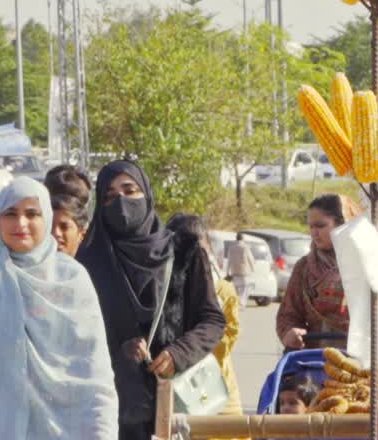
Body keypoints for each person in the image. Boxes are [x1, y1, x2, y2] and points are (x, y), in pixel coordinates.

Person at [0, 178, 117, 439]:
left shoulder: (71, 280)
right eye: (10, 214)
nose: (21, 224)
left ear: (47, 219)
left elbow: (94, 374)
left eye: (32, 214)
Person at [75, 161, 225, 440]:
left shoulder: (184, 252)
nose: (120, 201)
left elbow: (213, 319)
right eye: (108, 196)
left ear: (146, 193)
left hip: (174, 407)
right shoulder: (89, 262)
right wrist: (118, 351)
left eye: (129, 190)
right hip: (110, 409)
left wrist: (178, 353)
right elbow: (75, 334)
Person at [166, 214, 245, 432]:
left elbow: (225, 343)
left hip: (218, 395)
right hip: (175, 398)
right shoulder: (162, 290)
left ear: (207, 249)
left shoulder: (224, 291)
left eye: (198, 250)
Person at [277, 194, 357, 351]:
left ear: (342, 225)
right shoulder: (304, 267)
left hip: (361, 360)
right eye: (311, 227)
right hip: (314, 360)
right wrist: (291, 332)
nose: (314, 233)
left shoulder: (364, 265)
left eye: (320, 226)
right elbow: (288, 314)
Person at [225, 232, 255, 307]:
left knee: (236, 289)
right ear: (243, 238)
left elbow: (229, 260)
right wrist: (253, 269)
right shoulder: (245, 247)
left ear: (236, 238)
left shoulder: (231, 247)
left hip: (234, 271)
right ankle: (241, 302)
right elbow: (250, 259)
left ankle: (236, 303)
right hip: (244, 272)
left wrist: (227, 271)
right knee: (244, 288)